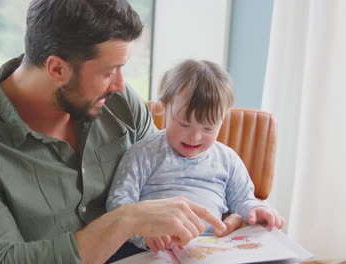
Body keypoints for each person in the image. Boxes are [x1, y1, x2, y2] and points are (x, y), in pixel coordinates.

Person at [0, 1, 242, 263]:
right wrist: (124, 221)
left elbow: (166, 176)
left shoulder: (117, 101)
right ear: (57, 69)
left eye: (122, 69)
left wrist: (231, 211)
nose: (120, 84)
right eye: (108, 72)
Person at [106, 59, 285, 253]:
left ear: (223, 119)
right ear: (164, 107)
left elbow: (243, 199)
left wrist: (255, 210)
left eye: (208, 128)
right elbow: (119, 204)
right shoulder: (144, 153)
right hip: (152, 250)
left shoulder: (227, 160)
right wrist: (143, 234)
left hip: (209, 249)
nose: (195, 137)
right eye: (184, 124)